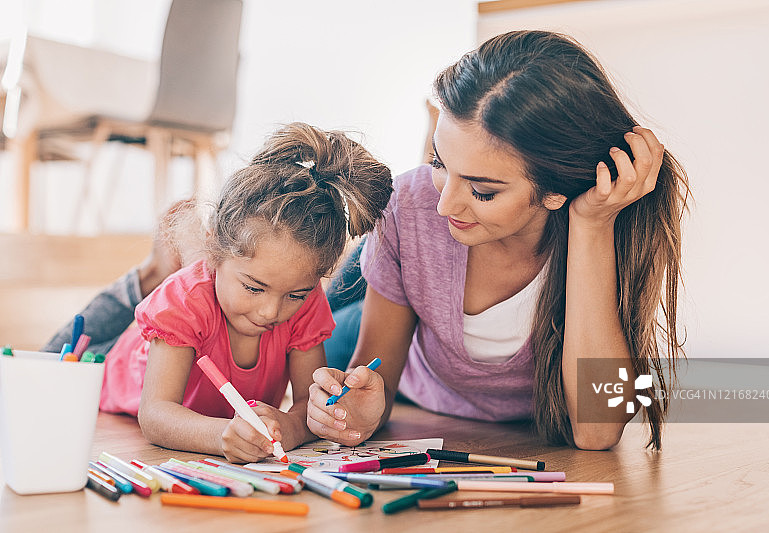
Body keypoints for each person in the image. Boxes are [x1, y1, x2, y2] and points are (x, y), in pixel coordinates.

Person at [307, 30, 689, 451]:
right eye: (439, 161)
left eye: (482, 191)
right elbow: (369, 385)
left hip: (432, 298)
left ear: (555, 192)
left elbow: (597, 432)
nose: (445, 205)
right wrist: (359, 408)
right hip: (404, 346)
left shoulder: (611, 223)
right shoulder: (417, 203)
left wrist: (591, 226)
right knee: (313, 313)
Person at [43, 122, 393, 463]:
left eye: (296, 295)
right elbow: (155, 414)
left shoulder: (306, 303)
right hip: (108, 362)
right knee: (47, 363)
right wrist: (221, 435)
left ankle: (169, 269)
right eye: (254, 287)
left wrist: (291, 425)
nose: (272, 311)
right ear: (214, 250)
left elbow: (308, 403)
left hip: (194, 303)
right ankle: (153, 273)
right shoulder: (183, 301)